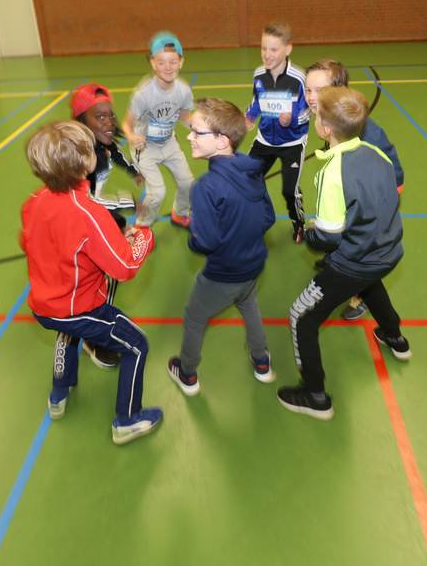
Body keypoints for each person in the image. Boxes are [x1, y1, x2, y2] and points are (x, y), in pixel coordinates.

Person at [20, 120, 162, 445]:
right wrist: (143, 236)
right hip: (80, 308)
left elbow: (31, 243)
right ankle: (127, 420)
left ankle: (59, 393)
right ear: (87, 161)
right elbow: (125, 266)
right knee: (136, 345)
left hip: (45, 304)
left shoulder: (34, 201)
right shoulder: (88, 213)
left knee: (67, 332)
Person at [277, 86, 409, 421]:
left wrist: (310, 234)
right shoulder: (376, 153)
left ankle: (315, 395)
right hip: (388, 251)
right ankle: (394, 337)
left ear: (325, 129)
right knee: (370, 282)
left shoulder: (332, 172)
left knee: (301, 317)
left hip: (354, 262)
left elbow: (328, 236)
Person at [167, 98, 276, 396]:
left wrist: (193, 233)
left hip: (222, 274)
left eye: (196, 132)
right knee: (248, 304)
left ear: (221, 141)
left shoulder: (205, 186)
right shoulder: (251, 169)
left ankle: (187, 373)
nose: (189, 136)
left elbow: (207, 242)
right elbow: (268, 217)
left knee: (194, 318)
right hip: (253, 265)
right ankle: (261, 360)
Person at [303, 58, 405, 320]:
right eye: (308, 89)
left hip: (380, 189)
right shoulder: (334, 118)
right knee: (342, 232)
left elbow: (383, 176)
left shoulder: (362, 134)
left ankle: (362, 294)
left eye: (320, 90)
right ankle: (337, 257)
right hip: (357, 184)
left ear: (341, 91)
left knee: (362, 254)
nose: (312, 97)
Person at [71, 82, 145, 370]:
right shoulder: (80, 158)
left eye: (111, 115)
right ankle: (93, 336)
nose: (110, 122)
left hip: (91, 212)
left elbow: (117, 152)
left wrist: (133, 171)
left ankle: (96, 319)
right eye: (99, 116)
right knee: (105, 272)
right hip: (81, 220)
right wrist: (128, 202)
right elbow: (87, 202)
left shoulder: (103, 143)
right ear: (81, 121)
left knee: (106, 270)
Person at [121, 31, 195, 228]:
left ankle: (179, 214)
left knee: (187, 182)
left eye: (173, 61)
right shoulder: (143, 93)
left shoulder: (183, 90)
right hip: (145, 148)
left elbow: (185, 117)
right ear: (153, 63)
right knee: (157, 193)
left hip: (169, 143)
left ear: (181, 62)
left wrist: (202, 127)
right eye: (161, 62)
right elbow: (127, 124)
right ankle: (142, 226)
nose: (168, 67)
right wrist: (132, 136)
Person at [245, 22, 310, 243]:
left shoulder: (299, 78)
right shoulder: (259, 74)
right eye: (264, 48)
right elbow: (257, 100)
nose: (267, 54)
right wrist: (249, 116)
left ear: (288, 49)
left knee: (289, 191)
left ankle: (298, 222)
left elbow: (309, 110)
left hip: (292, 143)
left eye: (274, 49)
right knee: (247, 179)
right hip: (264, 140)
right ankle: (259, 219)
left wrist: (292, 119)